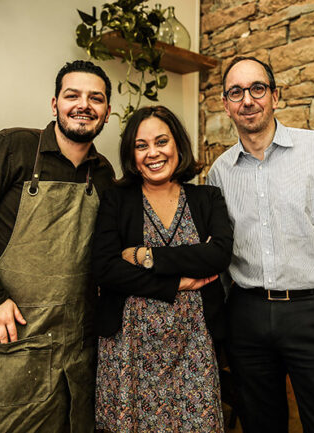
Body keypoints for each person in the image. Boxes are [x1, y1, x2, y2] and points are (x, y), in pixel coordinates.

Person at [206, 56, 314, 433]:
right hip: (246, 317)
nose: (247, 100)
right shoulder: (218, 173)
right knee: (260, 424)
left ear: (275, 96)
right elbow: (216, 254)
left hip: (313, 313)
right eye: (236, 92)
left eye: (257, 89)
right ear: (226, 104)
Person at [0, 60, 115, 432]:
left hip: (77, 338)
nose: (83, 104)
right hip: (15, 329)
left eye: (96, 98)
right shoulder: (12, 147)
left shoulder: (103, 173)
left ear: (106, 114)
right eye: (73, 95)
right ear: (54, 104)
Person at [91, 105, 233, 432]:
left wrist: (146, 256)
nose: (152, 153)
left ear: (178, 146)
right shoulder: (117, 200)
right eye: (141, 145)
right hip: (129, 348)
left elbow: (218, 255)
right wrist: (176, 284)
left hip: (193, 344)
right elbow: (106, 269)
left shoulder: (207, 198)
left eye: (161, 141)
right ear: (132, 153)